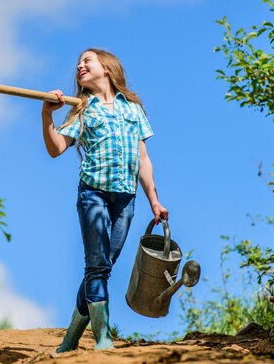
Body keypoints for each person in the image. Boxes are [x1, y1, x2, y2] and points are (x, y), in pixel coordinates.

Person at [41, 48, 168, 352]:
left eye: (87, 61)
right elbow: (56, 148)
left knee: (103, 267)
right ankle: (103, 339)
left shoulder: (133, 109)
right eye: (78, 63)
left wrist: (154, 200)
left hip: (126, 198)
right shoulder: (81, 109)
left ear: (107, 70)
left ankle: (70, 339)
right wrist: (47, 114)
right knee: (96, 265)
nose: (79, 66)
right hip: (93, 193)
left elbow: (143, 158)